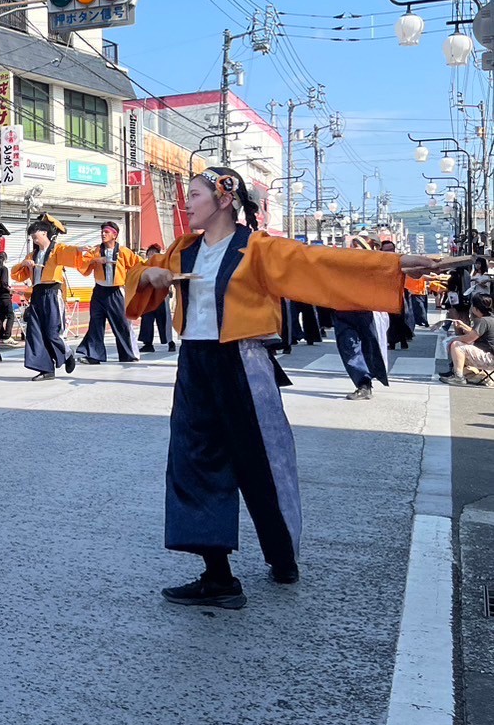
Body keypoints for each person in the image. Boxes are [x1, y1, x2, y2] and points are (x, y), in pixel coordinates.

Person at [125, 167, 435, 609]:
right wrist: (149, 278)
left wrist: (395, 265)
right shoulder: (182, 250)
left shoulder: (258, 250)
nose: (186, 202)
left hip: (243, 360)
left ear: (224, 198)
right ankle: (217, 576)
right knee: (193, 463)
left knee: (263, 461)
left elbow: (320, 263)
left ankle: (283, 556)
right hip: (195, 362)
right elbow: (139, 278)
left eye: (194, 195)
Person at [10, 214, 85, 381]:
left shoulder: (57, 250)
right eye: (32, 237)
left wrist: (80, 250)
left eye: (35, 236)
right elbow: (16, 274)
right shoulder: (32, 255)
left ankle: (66, 354)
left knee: (52, 331)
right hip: (37, 294)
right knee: (35, 332)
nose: (34, 239)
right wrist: (24, 264)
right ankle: (45, 369)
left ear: (44, 233)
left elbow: (70, 252)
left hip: (52, 292)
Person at [332, 234, 392, 402]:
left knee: (370, 346)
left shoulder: (376, 265)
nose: (354, 249)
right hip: (343, 310)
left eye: (359, 246)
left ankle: (369, 380)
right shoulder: (340, 265)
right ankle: (363, 383)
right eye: (353, 246)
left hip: (367, 311)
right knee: (349, 346)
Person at [76, 221, 142, 364]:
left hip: (116, 292)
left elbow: (138, 265)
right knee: (95, 323)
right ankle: (94, 356)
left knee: (121, 323)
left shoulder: (124, 252)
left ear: (114, 235)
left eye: (106, 232)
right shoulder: (95, 251)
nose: (103, 234)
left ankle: (128, 354)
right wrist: (95, 261)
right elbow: (82, 266)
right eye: (102, 232)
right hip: (99, 291)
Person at [443, 293, 494, 385]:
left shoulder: (483, 321)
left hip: (489, 358)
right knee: (460, 344)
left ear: (475, 308)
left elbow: (469, 338)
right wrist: (463, 325)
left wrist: (454, 339)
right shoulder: (490, 319)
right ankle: (461, 373)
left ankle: (458, 377)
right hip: (490, 356)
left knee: (456, 345)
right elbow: (476, 333)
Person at [136, 243, 175, 353]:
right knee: (147, 320)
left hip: (161, 297)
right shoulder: (143, 266)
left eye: (154, 253)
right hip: (148, 298)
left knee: (164, 320)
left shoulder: (164, 265)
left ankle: (170, 342)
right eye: (150, 253)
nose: (151, 255)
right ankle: (148, 343)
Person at [0, 251, 17, 350]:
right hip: (4, 295)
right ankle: (7, 336)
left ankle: (1, 335)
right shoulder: (4, 269)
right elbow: (4, 282)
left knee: (1, 315)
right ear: (5, 258)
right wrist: (10, 289)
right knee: (11, 315)